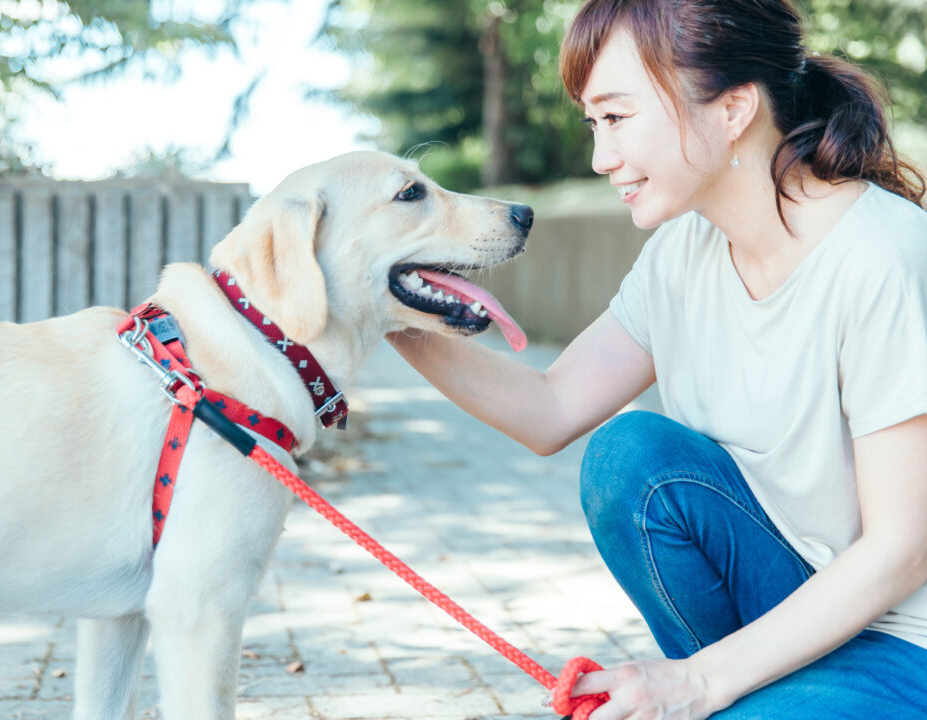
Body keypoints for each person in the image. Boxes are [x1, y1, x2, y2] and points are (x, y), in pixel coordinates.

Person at [387, 0, 927, 717]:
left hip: (903, 642)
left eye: (617, 117)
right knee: (630, 458)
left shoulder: (880, 256)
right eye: (592, 122)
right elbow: (549, 410)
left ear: (732, 109)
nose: (599, 156)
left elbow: (902, 551)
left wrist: (697, 682)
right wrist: (391, 310)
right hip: (790, 598)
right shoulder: (681, 253)